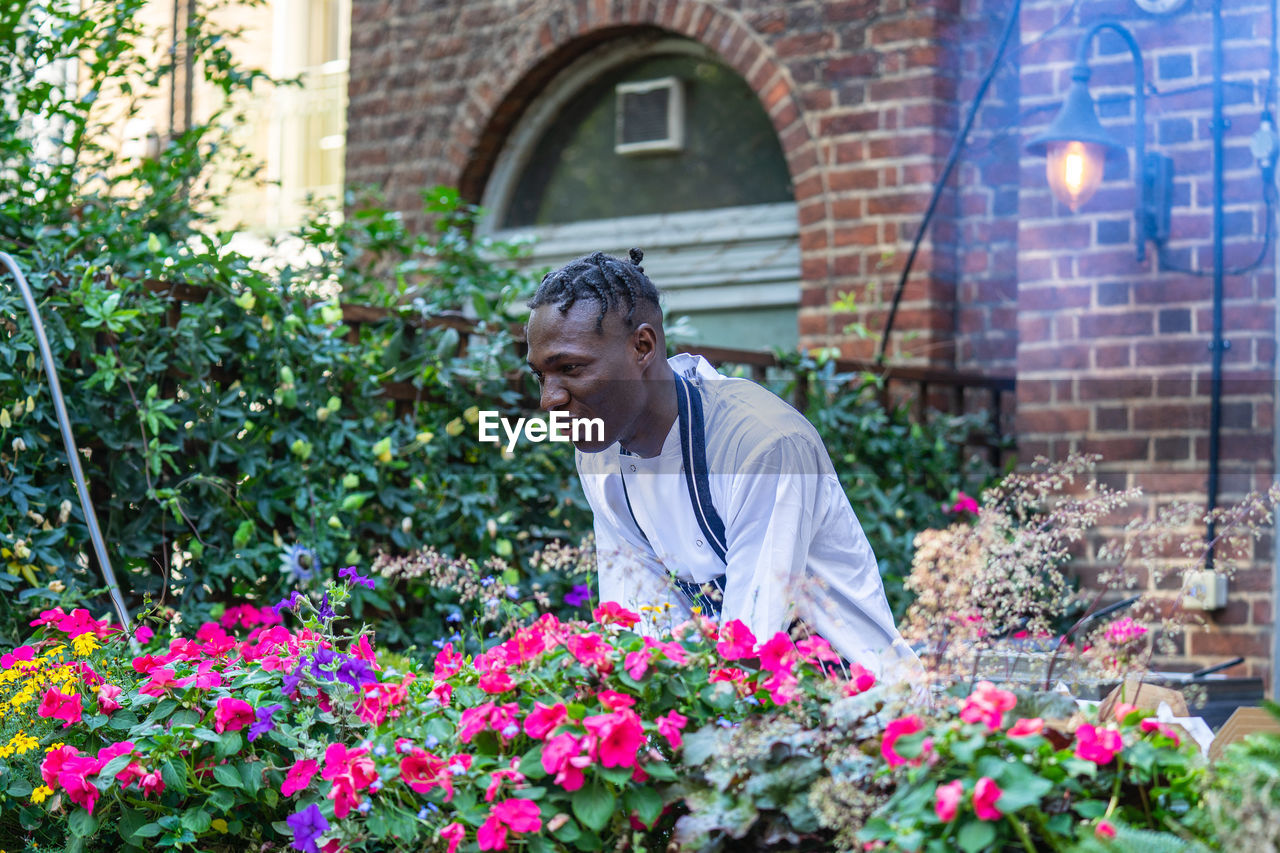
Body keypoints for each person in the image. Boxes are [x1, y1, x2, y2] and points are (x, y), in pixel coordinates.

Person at [524, 248, 917, 678]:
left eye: (571, 368)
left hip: (860, 710)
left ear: (643, 346)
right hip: (736, 709)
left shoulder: (760, 443)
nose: (550, 399)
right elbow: (640, 629)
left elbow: (752, 641)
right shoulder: (601, 455)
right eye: (541, 376)